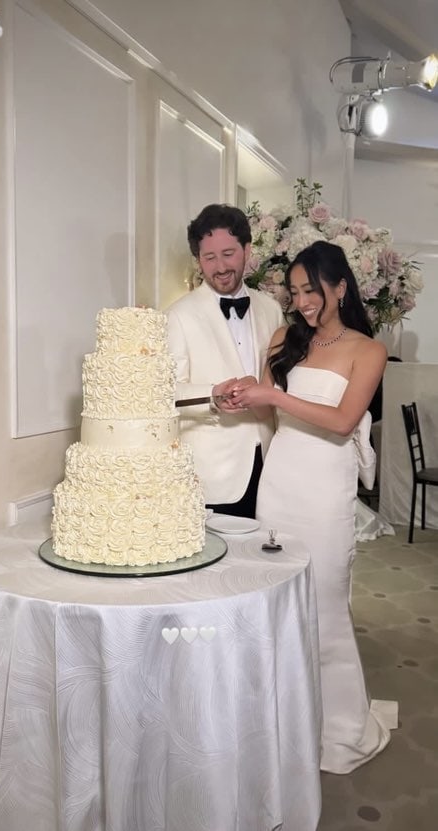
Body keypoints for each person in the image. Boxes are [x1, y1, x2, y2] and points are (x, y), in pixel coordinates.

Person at [221, 240, 397, 774]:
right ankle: (280, 721)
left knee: (322, 606)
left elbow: (343, 422)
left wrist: (272, 396)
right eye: (295, 292)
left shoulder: (368, 351)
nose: (302, 302)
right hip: (281, 482)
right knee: (277, 604)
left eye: (311, 290)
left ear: (340, 287)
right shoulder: (283, 338)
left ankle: (339, 726)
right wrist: (240, 393)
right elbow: (269, 405)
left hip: (324, 492)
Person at [166, 203, 283, 518]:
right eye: (209, 257)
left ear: (247, 250)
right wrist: (212, 396)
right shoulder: (177, 316)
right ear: (198, 260)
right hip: (213, 474)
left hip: (271, 464)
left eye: (229, 254)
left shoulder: (271, 309)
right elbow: (165, 394)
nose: (219, 267)